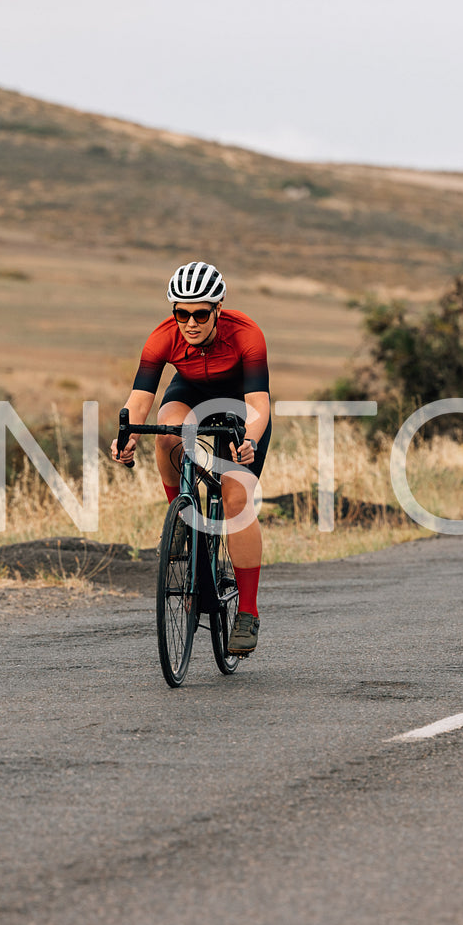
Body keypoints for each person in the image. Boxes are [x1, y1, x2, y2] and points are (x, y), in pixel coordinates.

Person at [109, 261, 271, 655]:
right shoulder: (162, 338)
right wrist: (125, 437)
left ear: (218, 308)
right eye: (181, 313)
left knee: (235, 501)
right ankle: (182, 516)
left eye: (200, 313)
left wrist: (248, 440)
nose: (191, 323)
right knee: (165, 434)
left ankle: (247, 612)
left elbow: (258, 405)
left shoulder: (246, 334)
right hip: (189, 392)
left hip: (238, 405)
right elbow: (140, 400)